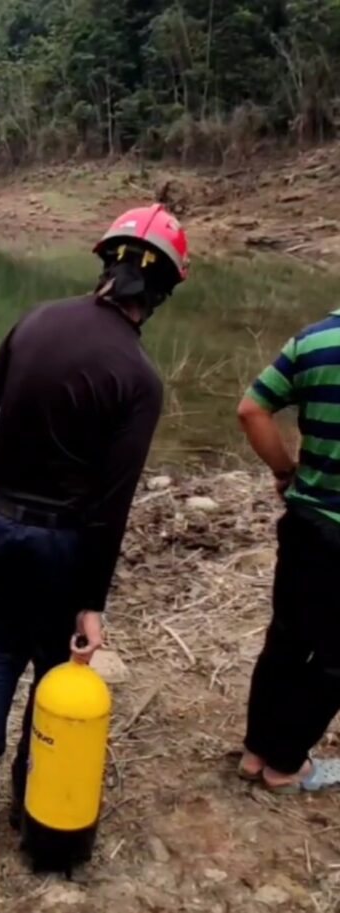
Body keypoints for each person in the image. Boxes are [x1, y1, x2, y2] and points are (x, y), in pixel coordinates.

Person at [0, 204, 190, 839]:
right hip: (64, 542)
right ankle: (35, 794)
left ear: (106, 265)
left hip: (0, 524)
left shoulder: (39, 320)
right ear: (160, 292)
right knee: (53, 665)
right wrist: (92, 604)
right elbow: (113, 505)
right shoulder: (139, 377)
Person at [237, 309, 340, 793]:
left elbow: (251, 409)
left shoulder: (314, 340)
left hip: (306, 524)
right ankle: (286, 764)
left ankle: (256, 751)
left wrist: (284, 470)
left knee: (286, 637)